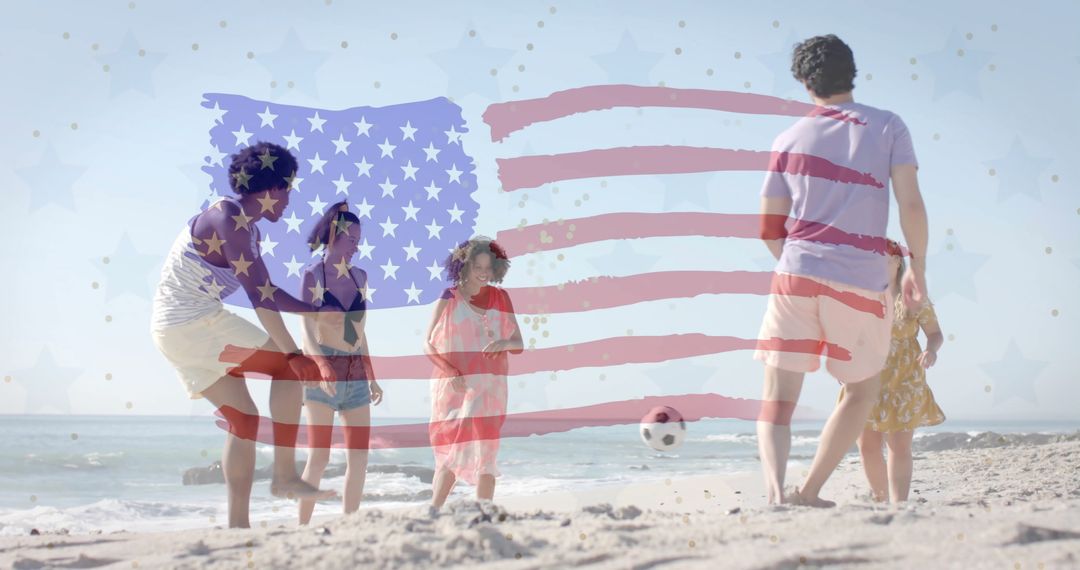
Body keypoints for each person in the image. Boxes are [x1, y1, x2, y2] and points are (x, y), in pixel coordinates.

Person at [753, 34, 930, 507]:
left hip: (796, 272)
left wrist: (801, 265)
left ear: (804, 82)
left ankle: (776, 496)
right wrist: (917, 266)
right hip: (861, 279)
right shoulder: (888, 126)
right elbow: (911, 205)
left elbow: (769, 228)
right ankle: (809, 491)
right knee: (861, 391)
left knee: (778, 398)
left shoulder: (787, 139)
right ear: (852, 72)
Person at [151, 141, 334, 528]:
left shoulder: (245, 229)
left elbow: (267, 290)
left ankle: (237, 526)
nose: (289, 200)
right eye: (288, 190)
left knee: (244, 420)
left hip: (172, 331)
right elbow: (259, 298)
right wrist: (293, 354)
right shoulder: (228, 218)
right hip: (193, 322)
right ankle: (284, 475)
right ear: (272, 188)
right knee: (286, 370)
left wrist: (315, 309)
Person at [297, 202, 385, 525]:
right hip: (323, 373)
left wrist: (372, 376)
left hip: (356, 373)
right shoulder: (313, 275)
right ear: (333, 236)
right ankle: (302, 528)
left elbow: (360, 331)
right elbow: (306, 332)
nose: (355, 247)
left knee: (359, 459)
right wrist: (321, 366)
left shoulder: (361, 277)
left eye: (358, 241)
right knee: (318, 458)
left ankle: (350, 526)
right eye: (351, 240)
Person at [841, 240, 944, 503]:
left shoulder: (914, 297)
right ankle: (880, 500)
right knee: (867, 445)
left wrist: (931, 351)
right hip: (866, 376)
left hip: (905, 378)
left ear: (897, 262)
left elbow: (935, 333)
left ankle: (899, 505)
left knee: (899, 445)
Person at [424, 238, 523, 508]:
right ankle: (434, 510)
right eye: (477, 267)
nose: (483, 273)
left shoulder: (501, 298)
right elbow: (428, 343)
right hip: (456, 384)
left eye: (488, 268)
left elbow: (518, 344)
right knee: (455, 446)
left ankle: (483, 512)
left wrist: (503, 343)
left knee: (487, 451)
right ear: (464, 266)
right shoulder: (450, 296)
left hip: (492, 385)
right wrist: (450, 371)